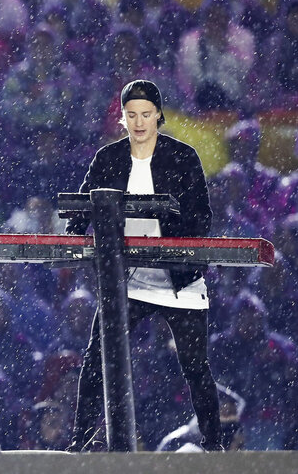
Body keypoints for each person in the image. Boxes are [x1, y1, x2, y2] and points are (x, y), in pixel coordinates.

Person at [65, 80, 222, 452]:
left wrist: (162, 222)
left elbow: (202, 217)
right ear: (123, 118)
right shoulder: (107, 158)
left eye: (146, 115)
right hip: (127, 280)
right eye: (131, 115)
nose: (139, 122)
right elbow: (83, 204)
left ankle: (215, 446)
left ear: (159, 116)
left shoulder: (184, 157)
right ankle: (80, 441)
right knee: (96, 360)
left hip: (178, 280)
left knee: (195, 366)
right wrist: (74, 230)